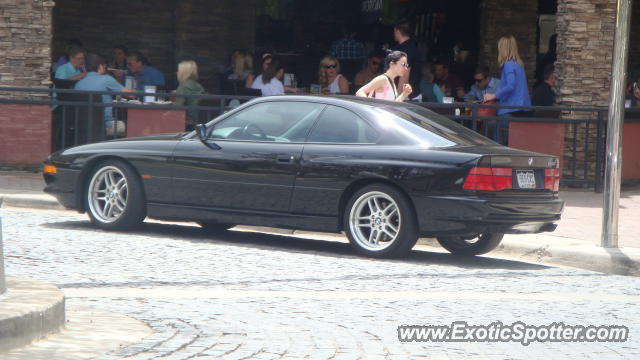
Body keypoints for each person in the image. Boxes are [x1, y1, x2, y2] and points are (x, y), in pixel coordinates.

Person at [484, 35, 532, 145]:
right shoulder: (519, 65)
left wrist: (493, 96)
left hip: (509, 109)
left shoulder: (508, 65)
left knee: (500, 142)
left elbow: (511, 86)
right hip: (521, 108)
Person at [74, 53, 134, 132]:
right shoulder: (107, 79)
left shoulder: (78, 84)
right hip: (105, 124)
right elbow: (131, 95)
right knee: (129, 126)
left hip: (83, 125)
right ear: (100, 66)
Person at [392, 20, 422, 97]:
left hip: (406, 96)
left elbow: (404, 74)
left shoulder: (404, 50)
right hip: (411, 93)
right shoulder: (414, 48)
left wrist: (398, 97)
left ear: (397, 31)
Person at [174, 60, 206, 130]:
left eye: (178, 70)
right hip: (199, 123)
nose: (176, 72)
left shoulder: (183, 87)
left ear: (183, 73)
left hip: (187, 123)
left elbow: (178, 109)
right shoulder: (199, 86)